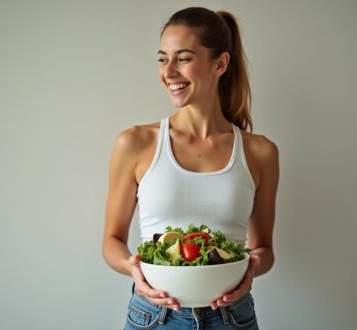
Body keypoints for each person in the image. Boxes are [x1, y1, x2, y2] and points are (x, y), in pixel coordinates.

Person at [102, 6, 279, 329]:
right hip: (154, 317)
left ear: (220, 63)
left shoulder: (260, 152)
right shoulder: (135, 143)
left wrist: (250, 268)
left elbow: (264, 248)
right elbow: (112, 240)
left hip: (232, 317)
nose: (168, 72)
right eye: (162, 59)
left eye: (182, 59)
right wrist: (134, 270)